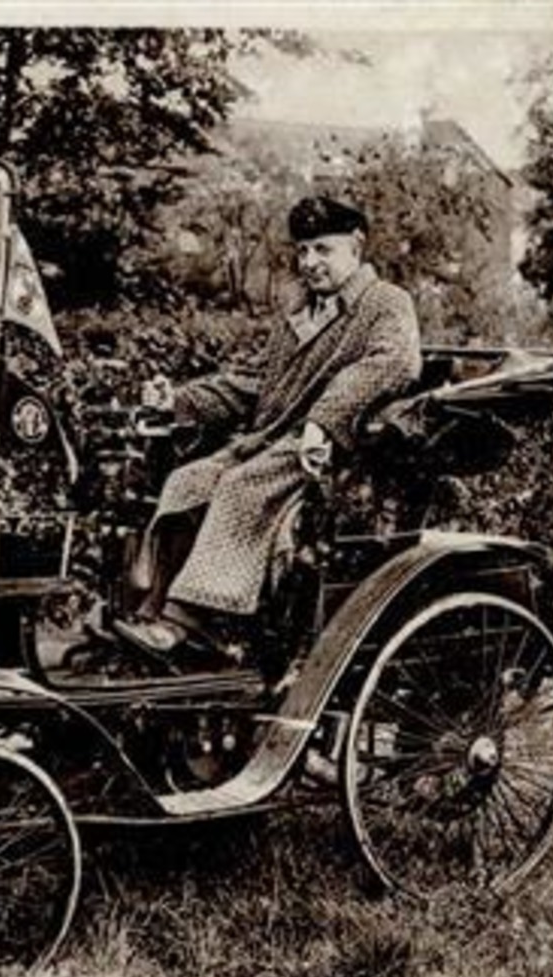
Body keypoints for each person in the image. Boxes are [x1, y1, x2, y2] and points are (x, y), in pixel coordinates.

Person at [114, 195, 422, 658]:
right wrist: (176, 401)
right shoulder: (299, 312)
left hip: (336, 450)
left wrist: (324, 419)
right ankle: (161, 612)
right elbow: (253, 381)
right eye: (302, 251)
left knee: (240, 487)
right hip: (274, 441)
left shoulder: (385, 303)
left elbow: (394, 364)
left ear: (356, 247)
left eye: (323, 249)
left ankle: (184, 621)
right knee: (188, 481)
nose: (310, 262)